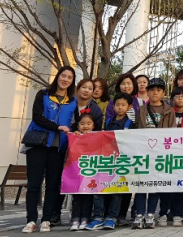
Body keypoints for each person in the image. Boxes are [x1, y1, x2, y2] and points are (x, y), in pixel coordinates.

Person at [22, 66, 77, 233]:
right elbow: (37, 117)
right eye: (63, 76)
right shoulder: (43, 94)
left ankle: (46, 219)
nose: (65, 79)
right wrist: (57, 127)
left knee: (53, 185)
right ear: (58, 76)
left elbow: (75, 123)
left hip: (58, 148)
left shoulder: (72, 101)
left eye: (69, 77)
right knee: (34, 184)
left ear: (72, 81)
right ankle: (31, 220)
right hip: (38, 145)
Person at [85, 94, 136, 231]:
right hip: (106, 160)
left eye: (123, 105)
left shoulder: (131, 124)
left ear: (129, 107)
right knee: (99, 189)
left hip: (121, 161)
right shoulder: (107, 122)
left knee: (117, 191)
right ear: (113, 106)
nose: (120, 107)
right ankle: (98, 217)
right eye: (117, 105)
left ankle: (112, 217)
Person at [133, 77, 176, 229]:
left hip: (160, 153)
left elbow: (172, 132)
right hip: (143, 152)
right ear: (147, 92)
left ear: (163, 92)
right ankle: (139, 214)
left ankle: (151, 213)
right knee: (141, 184)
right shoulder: (142, 109)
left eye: (158, 90)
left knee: (154, 184)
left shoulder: (169, 111)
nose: (155, 92)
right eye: (152, 90)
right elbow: (137, 129)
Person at [157, 87, 183, 227]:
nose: (180, 98)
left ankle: (178, 214)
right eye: (177, 96)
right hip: (166, 154)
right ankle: (163, 213)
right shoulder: (167, 113)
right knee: (166, 185)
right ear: (172, 99)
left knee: (180, 186)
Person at [69, 114, 97, 231]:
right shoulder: (74, 136)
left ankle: (85, 218)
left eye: (89, 123)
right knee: (76, 197)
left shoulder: (97, 137)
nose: (85, 126)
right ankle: (75, 218)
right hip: (76, 172)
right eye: (82, 123)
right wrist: (74, 137)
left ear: (93, 126)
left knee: (88, 196)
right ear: (78, 125)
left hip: (91, 172)